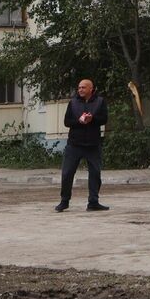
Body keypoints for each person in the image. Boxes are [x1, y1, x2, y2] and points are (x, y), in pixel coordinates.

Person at [55, 78, 109, 212]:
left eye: (83, 87)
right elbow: (67, 122)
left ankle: (93, 202)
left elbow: (104, 119)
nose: (80, 90)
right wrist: (79, 121)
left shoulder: (100, 102)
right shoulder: (73, 103)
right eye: (79, 87)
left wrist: (92, 119)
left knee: (95, 173)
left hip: (93, 144)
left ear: (91, 89)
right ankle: (64, 201)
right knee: (67, 173)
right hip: (74, 144)